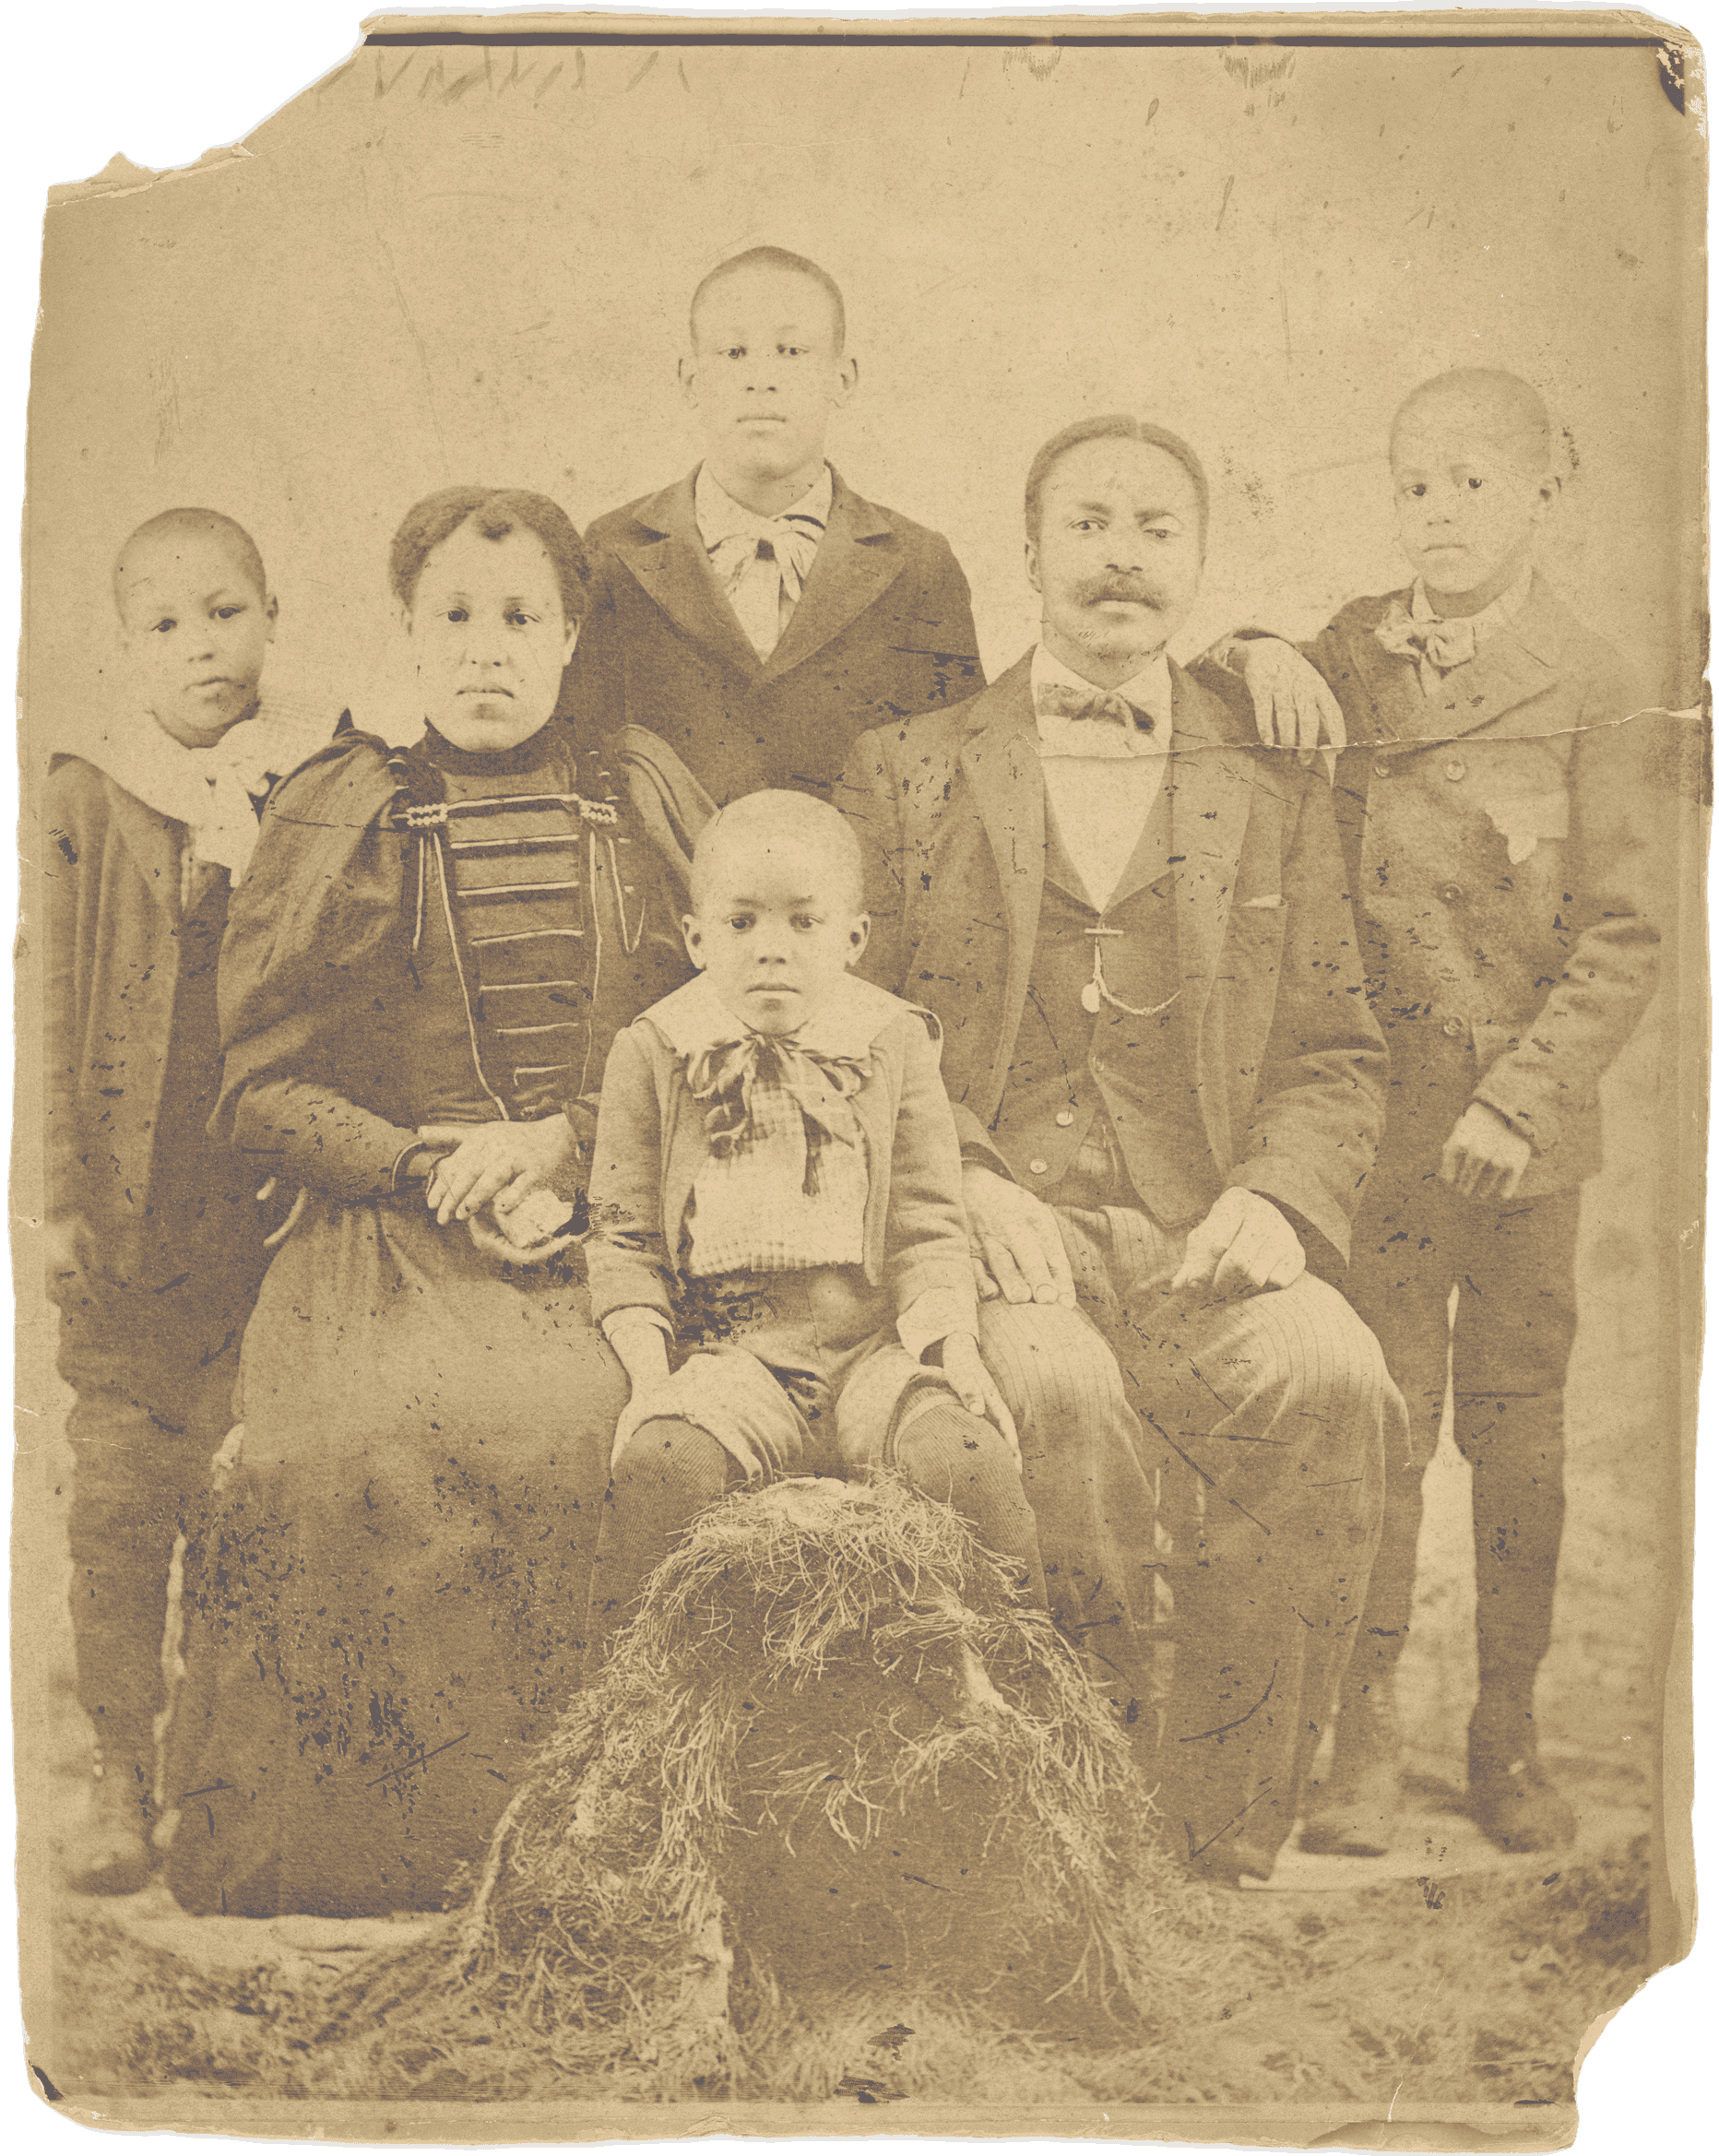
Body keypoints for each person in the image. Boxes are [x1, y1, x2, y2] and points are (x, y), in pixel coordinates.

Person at [837, 415, 1408, 1888]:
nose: (1122, 558)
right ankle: (1073, 1811)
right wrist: (958, 1179)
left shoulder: (1272, 781)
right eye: (1089, 523)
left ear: (1199, 564)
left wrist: (1278, 1197)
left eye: (1157, 528)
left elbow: (1339, 1047)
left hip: (1203, 1219)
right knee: (1057, 1395)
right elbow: (853, 1027)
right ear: (1030, 553)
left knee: (1334, 1372)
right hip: (996, 1221)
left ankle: (1220, 1827)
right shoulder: (902, 772)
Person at [163, 487, 687, 1919]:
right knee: (343, 1450)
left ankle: (570, 1860)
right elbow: (256, 1088)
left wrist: (573, 1141)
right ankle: (365, 1862)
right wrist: (421, 1162)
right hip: (382, 1228)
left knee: (596, 1434)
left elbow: (715, 1026)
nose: (487, 651)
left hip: (600, 1212)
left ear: (573, 635)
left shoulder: (637, 790)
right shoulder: (343, 806)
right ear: (406, 628)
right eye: (453, 616)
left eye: (521, 618)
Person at [1250, 371, 1664, 1856]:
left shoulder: (1599, 679)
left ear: (1547, 490)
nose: (1438, 511)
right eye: (1415, 481)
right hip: (1381, 1131)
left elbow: (1624, 934)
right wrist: (1249, 647)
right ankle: (1362, 1735)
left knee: (1518, 1439)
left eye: (1474, 483)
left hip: (1518, 1147)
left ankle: (1508, 1738)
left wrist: (1522, 1104)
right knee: (1382, 1428)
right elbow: (1232, 685)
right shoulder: (1352, 648)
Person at [46, 507, 337, 1895]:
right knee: (118, 1490)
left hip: (263, 1210)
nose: (201, 646)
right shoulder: (88, 797)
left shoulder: (324, 787)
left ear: (273, 615)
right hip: (127, 1211)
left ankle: (223, 1770)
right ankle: (118, 1760)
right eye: (165, 624)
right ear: (127, 646)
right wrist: (55, 1199)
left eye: (225, 612)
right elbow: (43, 1012)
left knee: (247, 1481)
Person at [583, 789, 1045, 1658]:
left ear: (854, 939)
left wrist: (954, 1350)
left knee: (968, 1464)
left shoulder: (891, 1040)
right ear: (695, 938)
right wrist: (652, 1381)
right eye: (742, 923)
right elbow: (624, 1236)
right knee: (658, 1471)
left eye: (803, 923)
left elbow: (927, 1222)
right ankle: (614, 1728)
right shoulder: (655, 1048)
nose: (771, 952)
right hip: (735, 1357)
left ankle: (1034, 1710)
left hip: (873, 1352)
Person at [561, 246, 983, 816]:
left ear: (843, 377)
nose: (761, 379)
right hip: (662, 897)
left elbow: (955, 779)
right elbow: (577, 758)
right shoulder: (614, 551)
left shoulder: (917, 562)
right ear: (690, 379)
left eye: (791, 351)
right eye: (733, 353)